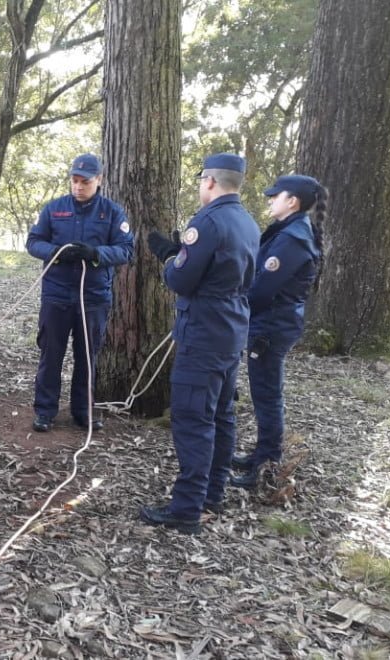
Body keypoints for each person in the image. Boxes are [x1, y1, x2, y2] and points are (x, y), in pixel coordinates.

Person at [140, 152, 260, 535]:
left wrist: (170, 259)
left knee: (194, 419)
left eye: (200, 180)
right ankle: (213, 493)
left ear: (209, 181)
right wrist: (182, 255)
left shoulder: (207, 221)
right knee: (222, 416)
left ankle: (186, 508)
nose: (199, 186)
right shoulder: (248, 221)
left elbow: (180, 280)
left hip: (204, 331)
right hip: (231, 330)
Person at [25, 154, 134, 433]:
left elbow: (125, 250)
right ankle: (45, 411)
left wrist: (96, 254)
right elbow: (34, 241)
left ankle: (82, 412)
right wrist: (56, 254)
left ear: (99, 180)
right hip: (57, 294)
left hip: (94, 297)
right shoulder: (54, 209)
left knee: (87, 357)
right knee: (51, 355)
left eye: (85, 182)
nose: (78, 187)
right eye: (74, 181)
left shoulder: (112, 212)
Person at [230, 175, 326, 489]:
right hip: (272, 323)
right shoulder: (289, 231)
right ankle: (261, 453)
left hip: (271, 327)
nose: (270, 200)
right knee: (265, 393)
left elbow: (262, 290)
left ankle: (267, 463)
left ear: (293, 201)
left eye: (276, 196)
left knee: (267, 395)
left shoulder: (293, 238)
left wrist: (235, 311)